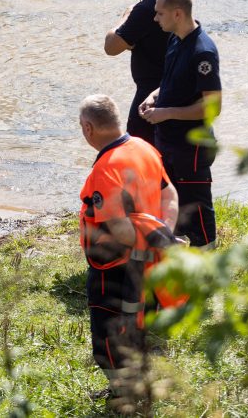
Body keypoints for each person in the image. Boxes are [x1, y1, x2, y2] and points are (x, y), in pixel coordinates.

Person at [77, 95, 179, 407]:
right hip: (148, 261)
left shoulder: (107, 168)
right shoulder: (144, 148)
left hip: (116, 268)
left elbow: (119, 228)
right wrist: (164, 236)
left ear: (88, 128)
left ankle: (125, 396)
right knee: (138, 326)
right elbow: (170, 194)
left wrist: (145, 244)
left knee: (108, 335)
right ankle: (136, 387)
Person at [139, 0, 222, 249]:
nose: (155, 19)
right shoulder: (176, 38)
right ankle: (181, 244)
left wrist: (166, 113)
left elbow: (213, 107)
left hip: (192, 144)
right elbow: (173, 81)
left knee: (195, 200)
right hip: (169, 139)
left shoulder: (203, 52)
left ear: (177, 14)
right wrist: (154, 96)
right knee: (173, 195)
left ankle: (206, 252)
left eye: (159, 13)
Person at [103, 0, 176, 144]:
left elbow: (111, 46)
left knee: (139, 162)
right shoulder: (178, 0)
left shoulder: (145, 10)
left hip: (149, 100)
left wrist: (126, 16)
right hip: (176, 93)